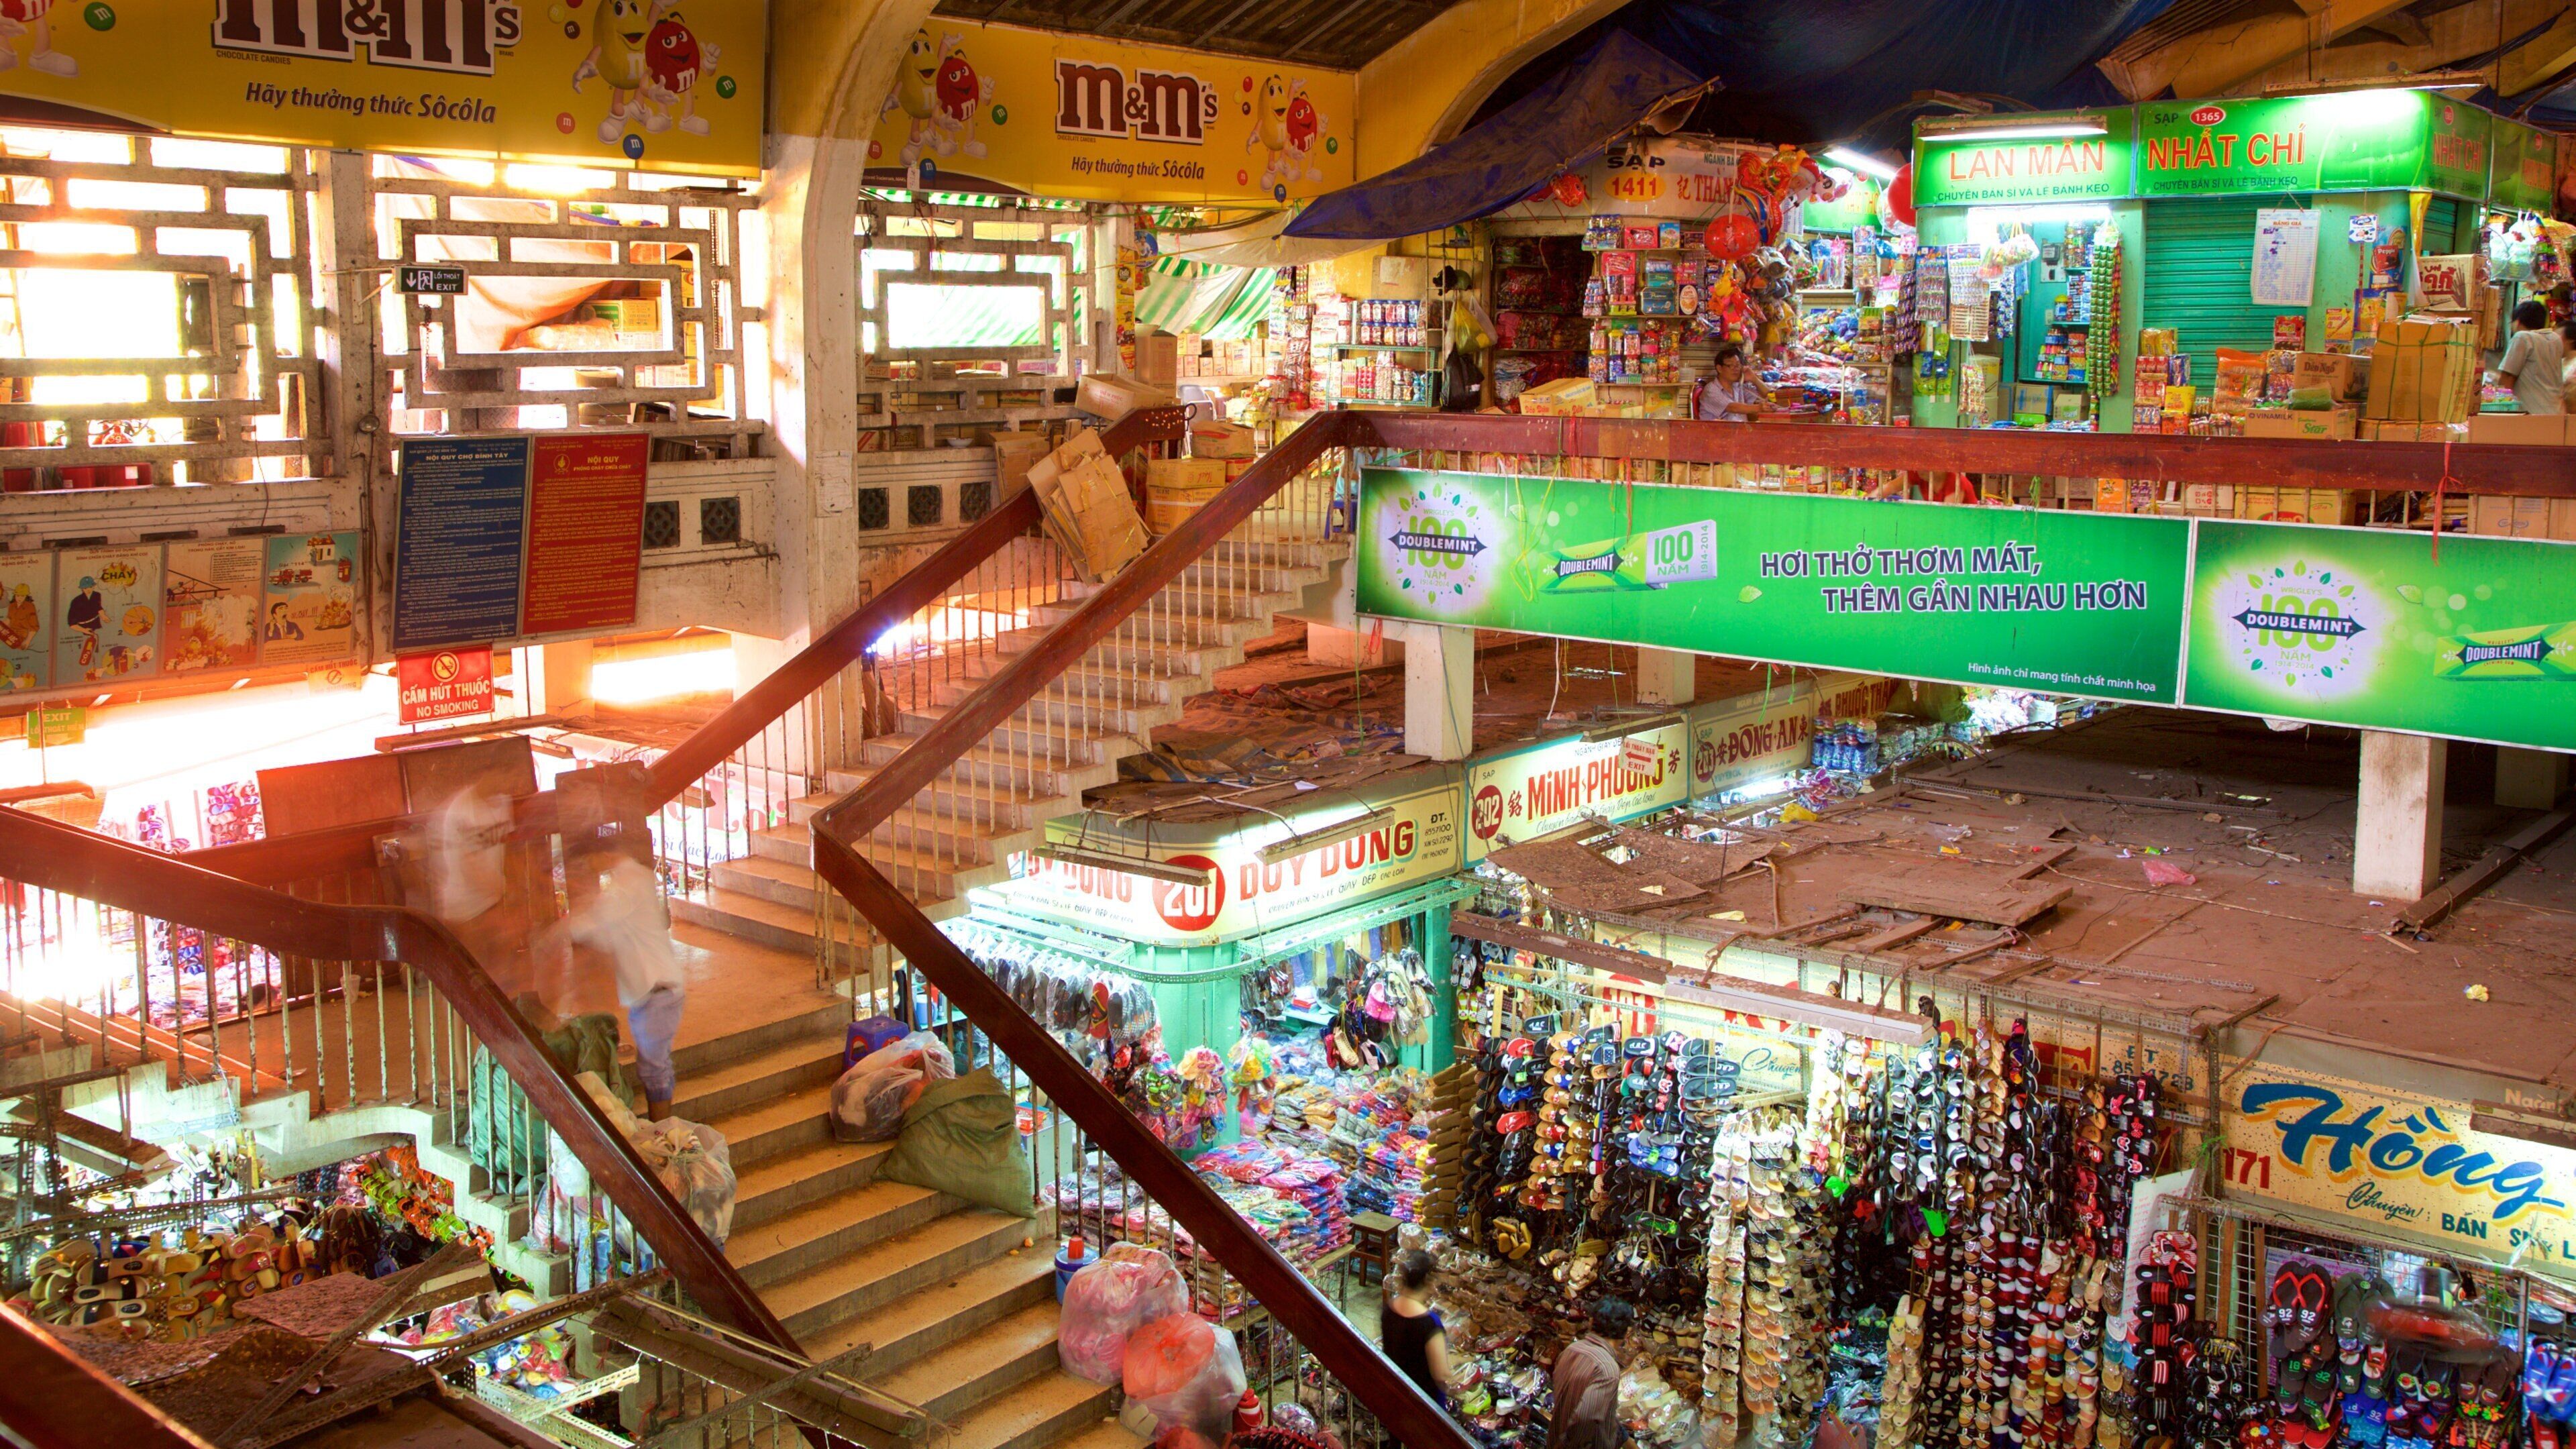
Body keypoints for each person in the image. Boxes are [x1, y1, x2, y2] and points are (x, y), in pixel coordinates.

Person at [563, 852, 688, 1120]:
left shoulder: (627, 886)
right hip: (650, 993)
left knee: (655, 1070)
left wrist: (550, 931)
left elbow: (586, 925)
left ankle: (662, 1130)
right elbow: (601, 934)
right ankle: (661, 1128)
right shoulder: (630, 881)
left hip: (658, 991)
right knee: (654, 1067)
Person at [1546, 1296, 1631, 1449]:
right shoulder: (1608, 1369)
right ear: (1626, 1333)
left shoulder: (1571, 1350)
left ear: (1591, 1323)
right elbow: (1585, 1418)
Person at [1379, 1249, 1450, 1407]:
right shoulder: (1430, 1324)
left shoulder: (1390, 1308)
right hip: (1423, 1404)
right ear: (1428, 1282)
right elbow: (1441, 1374)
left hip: (1396, 1393)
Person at [2491, 299, 2565, 415]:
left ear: (2517, 322)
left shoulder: (2522, 337)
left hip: (2532, 414)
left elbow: (2508, 376)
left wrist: (2501, 409)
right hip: (2556, 411)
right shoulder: (2555, 338)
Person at [1694, 344, 1769, 422]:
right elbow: (1732, 407)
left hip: (1740, 429)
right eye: (1731, 365)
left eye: (1738, 365)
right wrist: (1759, 408)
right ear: (1719, 369)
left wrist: (1754, 379)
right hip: (1719, 429)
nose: (1736, 369)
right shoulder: (1711, 390)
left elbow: (1768, 395)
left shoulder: (1738, 386)